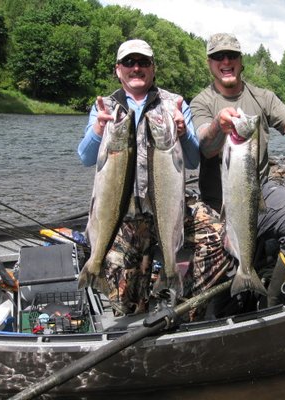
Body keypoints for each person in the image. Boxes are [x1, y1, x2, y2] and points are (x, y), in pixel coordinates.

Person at [190, 33, 285, 307]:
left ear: (241, 61)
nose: (226, 61)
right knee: (210, 295)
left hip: (261, 191)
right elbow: (205, 146)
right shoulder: (202, 102)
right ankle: (240, 278)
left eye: (232, 55)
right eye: (219, 56)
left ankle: (273, 299)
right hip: (216, 202)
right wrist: (219, 127)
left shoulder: (263, 97)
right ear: (209, 63)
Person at [77, 38, 199, 315]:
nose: (136, 68)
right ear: (118, 70)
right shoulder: (105, 107)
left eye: (143, 62)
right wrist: (98, 129)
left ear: (153, 68)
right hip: (124, 213)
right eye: (129, 62)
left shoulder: (176, 104)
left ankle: (189, 303)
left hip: (168, 206)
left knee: (217, 236)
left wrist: (184, 134)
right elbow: (85, 157)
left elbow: (193, 159)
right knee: (127, 303)